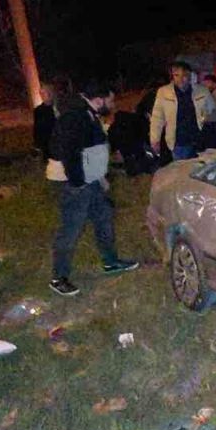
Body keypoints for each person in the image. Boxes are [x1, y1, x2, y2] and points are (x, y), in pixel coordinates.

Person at [48, 80, 138, 296]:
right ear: (98, 100)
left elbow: (92, 148)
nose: (113, 104)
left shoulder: (88, 114)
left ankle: (110, 261)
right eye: (110, 100)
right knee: (71, 229)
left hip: (91, 179)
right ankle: (58, 278)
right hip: (76, 183)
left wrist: (100, 177)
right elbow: (69, 152)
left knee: (104, 217)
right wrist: (78, 182)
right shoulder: (74, 116)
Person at [149, 61, 214, 161]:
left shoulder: (202, 91)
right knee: (182, 168)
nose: (180, 79)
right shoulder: (164, 92)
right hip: (179, 142)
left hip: (200, 139)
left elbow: (213, 111)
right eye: (176, 75)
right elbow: (157, 117)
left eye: (184, 75)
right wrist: (155, 139)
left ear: (190, 76)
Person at [33, 81, 61, 162]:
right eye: (41, 94)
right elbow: (37, 128)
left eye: (44, 93)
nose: (42, 96)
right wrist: (37, 144)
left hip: (60, 141)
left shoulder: (58, 107)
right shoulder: (38, 110)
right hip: (47, 144)